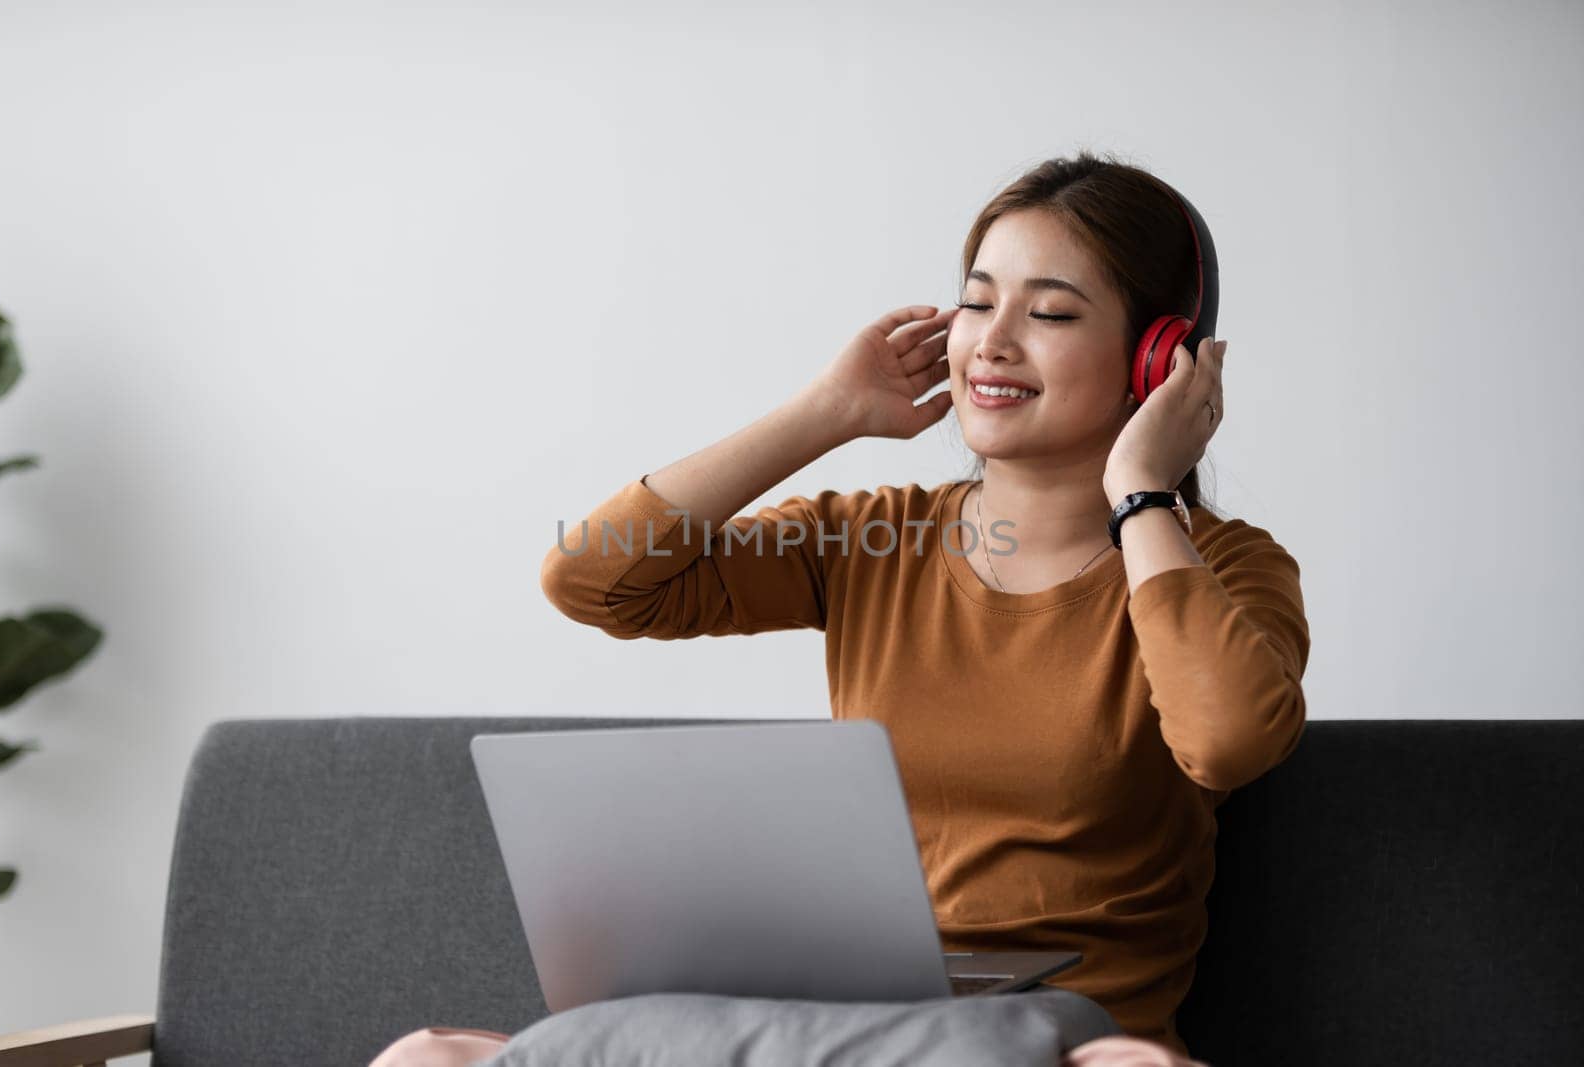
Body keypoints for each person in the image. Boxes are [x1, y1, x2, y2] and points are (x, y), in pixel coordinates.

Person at [375, 151, 1309, 1065]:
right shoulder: (877, 540)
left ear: (1157, 362)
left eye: (1052, 312)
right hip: (837, 1033)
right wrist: (826, 410)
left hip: (1065, 1041)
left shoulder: (1222, 568)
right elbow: (590, 577)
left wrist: (1142, 493)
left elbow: (1227, 741)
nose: (992, 340)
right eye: (978, 302)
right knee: (429, 1056)